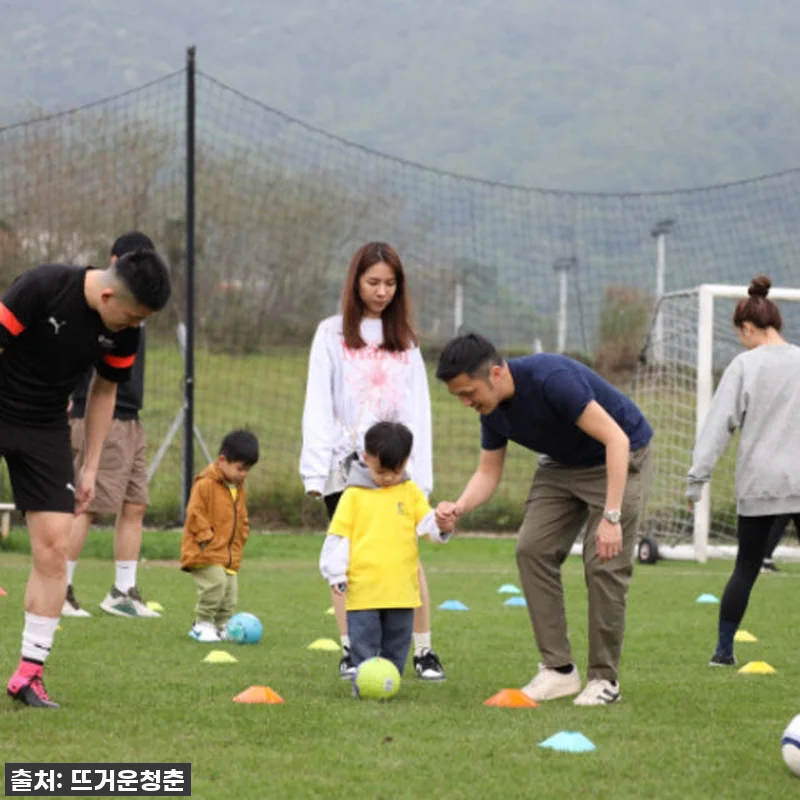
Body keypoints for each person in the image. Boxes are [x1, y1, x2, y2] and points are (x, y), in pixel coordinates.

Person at [434, 333, 653, 706]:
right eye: (459, 396)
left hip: (618, 455)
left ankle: (604, 680)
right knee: (531, 549)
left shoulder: (552, 379)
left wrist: (611, 517)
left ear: (498, 373)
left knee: (603, 561)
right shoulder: (492, 411)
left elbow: (615, 440)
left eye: (469, 393)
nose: (466, 403)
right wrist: (459, 507)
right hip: (561, 464)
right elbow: (488, 473)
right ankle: (558, 671)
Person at [2, 246, 171, 708]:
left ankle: (29, 675)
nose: (133, 326)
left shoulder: (124, 332)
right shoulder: (42, 286)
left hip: (45, 430)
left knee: (55, 543)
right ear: (109, 291)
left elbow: (104, 393)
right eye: (131, 316)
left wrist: (91, 464)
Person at [300, 241, 446, 681]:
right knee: (347, 557)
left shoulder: (406, 342)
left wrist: (417, 472)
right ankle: (351, 649)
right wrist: (315, 468)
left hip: (397, 468)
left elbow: (418, 407)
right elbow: (318, 401)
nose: (382, 292)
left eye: (390, 283)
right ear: (355, 283)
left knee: (406, 556)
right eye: (373, 282)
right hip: (347, 467)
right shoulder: (330, 334)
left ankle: (422, 650)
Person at [686, 276, 800, 667]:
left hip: (759, 484)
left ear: (748, 328)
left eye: (740, 334)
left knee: (746, 566)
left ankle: (723, 651)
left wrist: (696, 479)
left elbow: (719, 426)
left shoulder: (744, 366)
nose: (741, 342)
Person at [62, 232, 159, 619]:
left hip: (131, 416)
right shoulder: (97, 305)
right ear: (115, 261)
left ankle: (123, 591)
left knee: (135, 504)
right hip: (103, 418)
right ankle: (62, 587)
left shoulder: (140, 305)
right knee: (88, 505)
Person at [319, 422, 453, 678]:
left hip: (402, 593)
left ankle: (389, 682)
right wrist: (336, 574)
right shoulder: (353, 495)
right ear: (366, 458)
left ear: (406, 461)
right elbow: (338, 538)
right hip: (364, 592)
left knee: (397, 648)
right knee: (364, 647)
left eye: (397, 469)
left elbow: (426, 528)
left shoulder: (410, 491)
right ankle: (365, 681)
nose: (390, 477)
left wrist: (441, 523)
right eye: (382, 470)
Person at [180, 429, 259, 643]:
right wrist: (207, 538)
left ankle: (223, 625)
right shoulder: (205, 483)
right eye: (240, 468)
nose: (243, 474)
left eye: (247, 470)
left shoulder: (238, 487)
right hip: (205, 550)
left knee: (230, 593)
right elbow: (195, 513)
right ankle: (202, 623)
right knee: (214, 585)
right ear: (222, 460)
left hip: (229, 552)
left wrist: (243, 533)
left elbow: (241, 515)